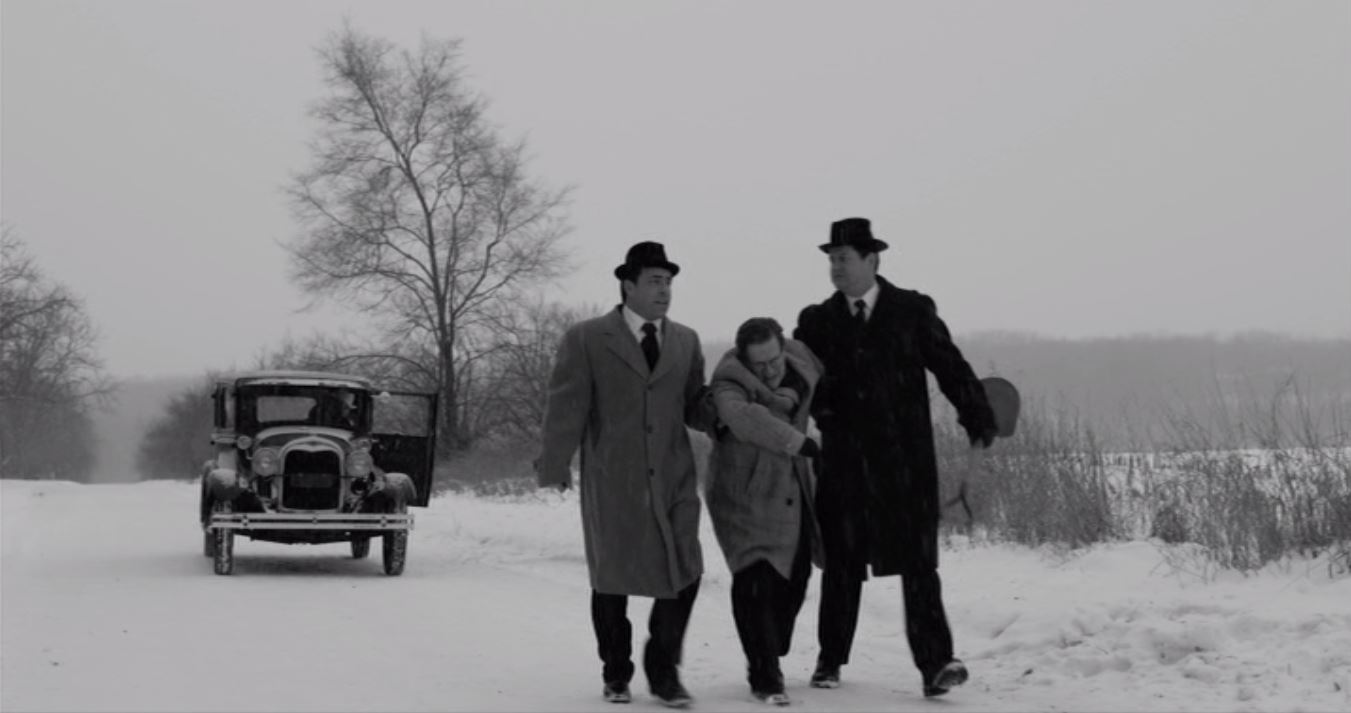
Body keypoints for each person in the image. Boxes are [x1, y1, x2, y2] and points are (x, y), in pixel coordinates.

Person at [793, 217, 998, 698]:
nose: (836, 267)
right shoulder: (816, 321)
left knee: (919, 566)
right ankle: (829, 659)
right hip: (843, 461)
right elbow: (800, 380)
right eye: (831, 259)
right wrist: (824, 413)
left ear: (872, 260)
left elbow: (950, 366)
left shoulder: (911, 310)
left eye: (844, 258)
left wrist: (977, 415)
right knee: (842, 565)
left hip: (905, 463)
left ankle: (936, 664)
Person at [537, 241, 713, 709]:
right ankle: (616, 672)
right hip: (614, 478)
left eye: (668, 282)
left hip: (674, 476)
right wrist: (555, 463)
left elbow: (693, 404)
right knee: (612, 578)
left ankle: (664, 670)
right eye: (655, 281)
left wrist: (727, 414)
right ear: (628, 285)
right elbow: (567, 405)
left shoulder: (686, 340)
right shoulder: (588, 338)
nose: (664, 290)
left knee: (686, 568)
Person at [704, 317, 824, 706]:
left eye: (774, 360)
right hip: (743, 492)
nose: (770, 370)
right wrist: (801, 443)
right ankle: (765, 676)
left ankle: (772, 643)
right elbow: (746, 419)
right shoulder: (728, 381)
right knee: (754, 579)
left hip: (792, 488)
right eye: (760, 365)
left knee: (797, 575)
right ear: (744, 359)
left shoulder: (800, 359)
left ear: (783, 347)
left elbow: (829, 380)